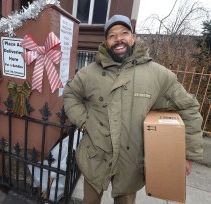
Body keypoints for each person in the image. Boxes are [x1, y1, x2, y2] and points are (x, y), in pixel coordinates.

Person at [62, 14, 203, 204]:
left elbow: (189, 108)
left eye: (124, 33)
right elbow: (70, 94)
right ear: (106, 41)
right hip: (94, 158)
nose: (118, 39)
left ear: (133, 38)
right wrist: (85, 121)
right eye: (112, 35)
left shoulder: (158, 75)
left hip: (131, 164)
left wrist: (187, 154)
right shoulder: (88, 73)